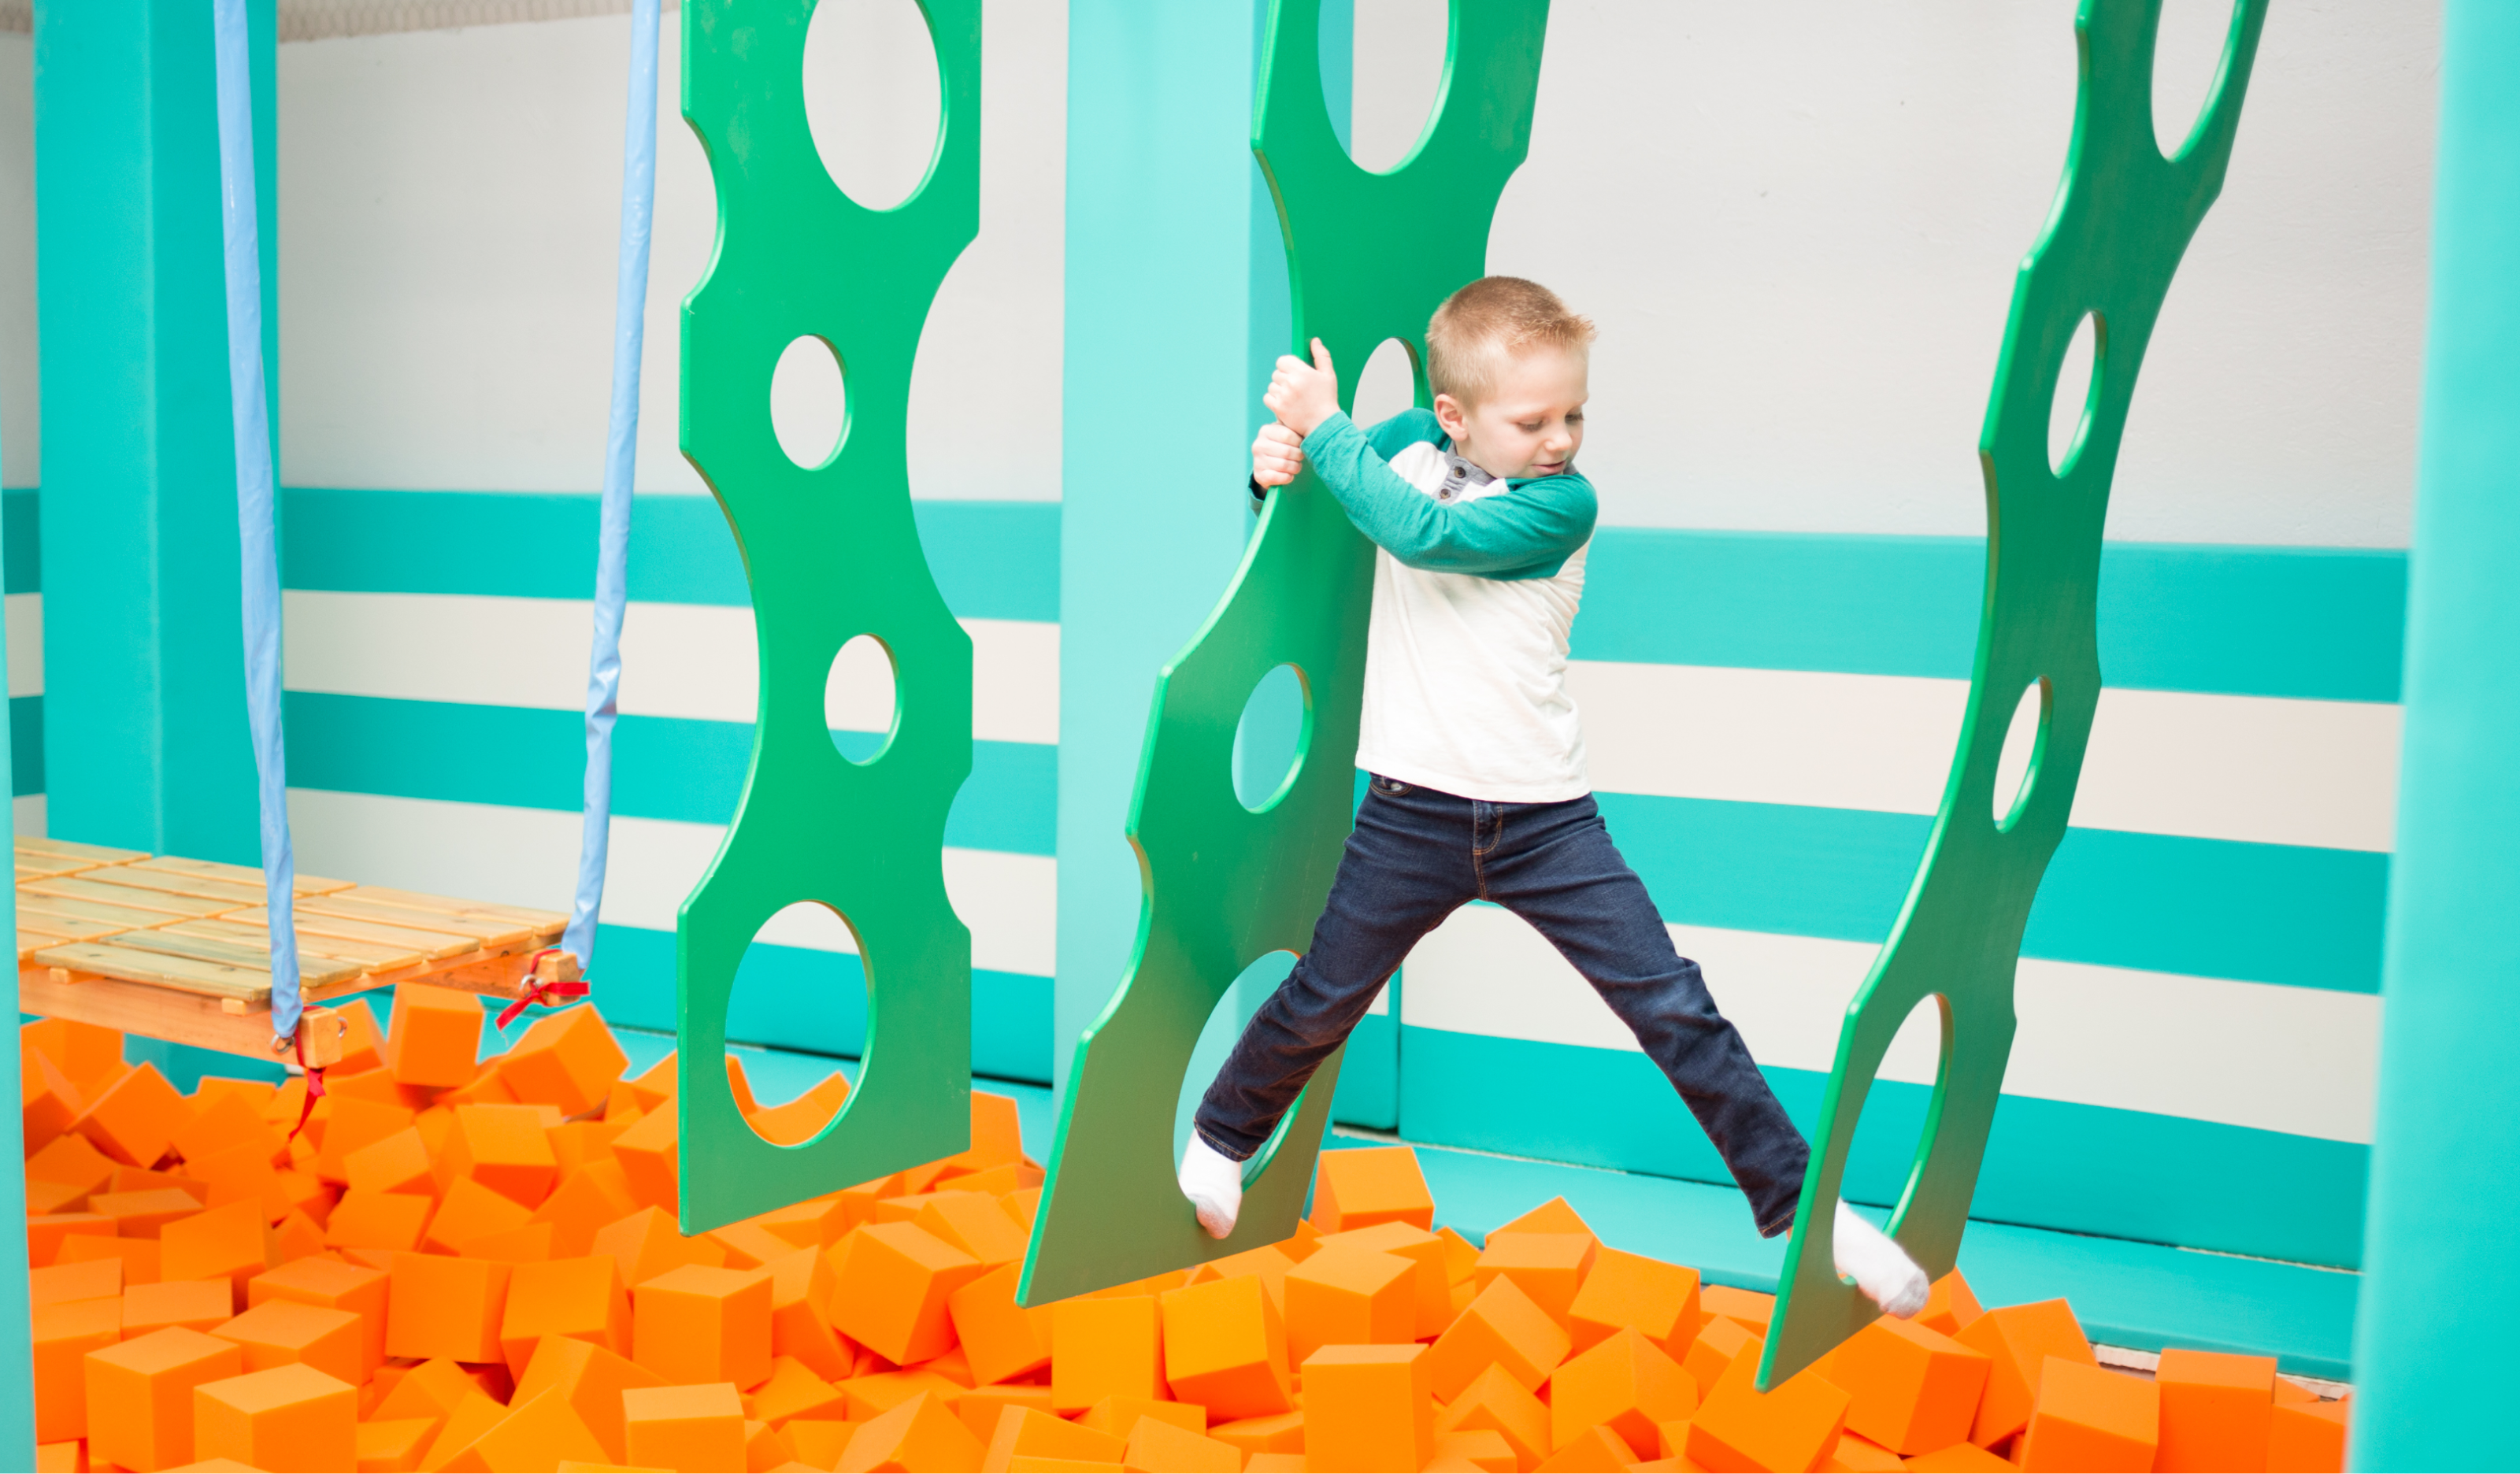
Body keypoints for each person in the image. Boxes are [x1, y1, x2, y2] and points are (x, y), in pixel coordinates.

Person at [1177, 276, 1928, 1317]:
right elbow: (1342, 479)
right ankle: (1221, 1139)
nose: (1561, 438)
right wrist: (1277, 469)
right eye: (1533, 420)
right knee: (1323, 996)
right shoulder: (1402, 447)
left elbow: (1420, 536)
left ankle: (1812, 1211)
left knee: (1676, 1007)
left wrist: (1326, 430)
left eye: (1575, 414)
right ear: (1456, 416)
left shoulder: (1561, 505)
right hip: (1412, 812)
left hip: (1544, 822)